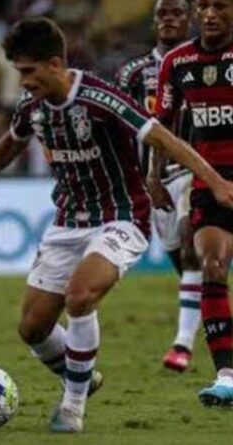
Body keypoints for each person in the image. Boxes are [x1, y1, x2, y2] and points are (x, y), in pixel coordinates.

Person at [0, 18, 233, 433]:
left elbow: (161, 136)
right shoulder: (31, 106)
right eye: (20, 72)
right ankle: (84, 378)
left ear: (55, 64)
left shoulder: (99, 98)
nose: (24, 81)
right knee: (32, 328)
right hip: (67, 222)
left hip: (122, 217)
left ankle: (72, 407)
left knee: (80, 297)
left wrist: (214, 180)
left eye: (29, 72)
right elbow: (9, 144)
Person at [155, 0, 233, 407]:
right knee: (211, 266)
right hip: (208, 181)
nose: (209, 14)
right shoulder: (177, 62)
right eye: (202, 5)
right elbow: (163, 126)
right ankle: (227, 376)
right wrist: (153, 177)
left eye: (219, 5)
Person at [116, 0, 200, 372]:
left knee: (192, 244)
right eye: (162, 14)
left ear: (189, 19)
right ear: (154, 22)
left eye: (176, 13)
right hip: (154, 178)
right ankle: (210, 318)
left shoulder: (205, 63)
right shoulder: (133, 73)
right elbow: (118, 126)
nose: (168, 20)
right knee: (184, 264)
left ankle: (182, 345)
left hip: (195, 169)